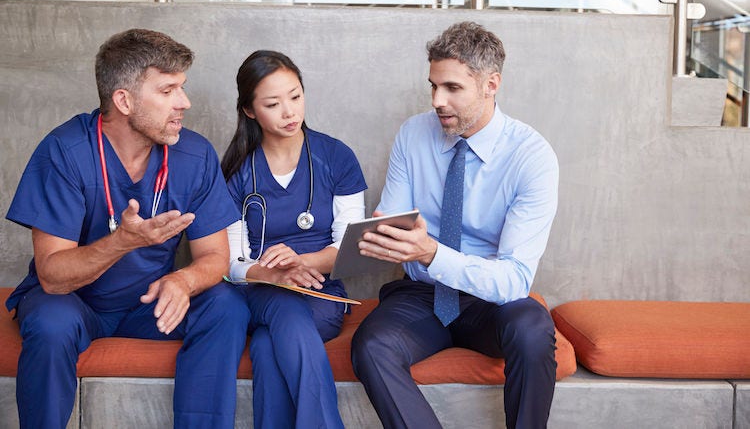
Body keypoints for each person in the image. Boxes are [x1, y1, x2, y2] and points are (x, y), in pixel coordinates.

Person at [4, 29, 250, 428]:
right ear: (124, 100)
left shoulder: (194, 154)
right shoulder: (65, 151)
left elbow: (215, 258)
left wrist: (184, 280)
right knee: (51, 323)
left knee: (226, 305)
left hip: (147, 305)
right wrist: (122, 243)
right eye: (168, 90)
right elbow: (52, 277)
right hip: (75, 304)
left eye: (181, 88)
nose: (184, 103)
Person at [351, 21, 559, 429]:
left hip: (490, 302)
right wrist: (379, 238)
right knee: (372, 346)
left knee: (532, 329)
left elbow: (514, 279)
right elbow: (390, 223)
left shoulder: (531, 156)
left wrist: (430, 251)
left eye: (452, 88)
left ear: (491, 84)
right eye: (432, 86)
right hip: (422, 295)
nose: (437, 101)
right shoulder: (413, 134)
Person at [221, 50, 367, 428]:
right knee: (281, 316)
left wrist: (302, 263)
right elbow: (231, 264)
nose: (289, 112)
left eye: (296, 96)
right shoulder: (237, 170)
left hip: (319, 293)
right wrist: (272, 272)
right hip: (261, 292)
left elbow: (350, 251)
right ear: (250, 111)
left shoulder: (336, 157)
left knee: (268, 350)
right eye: (273, 103)